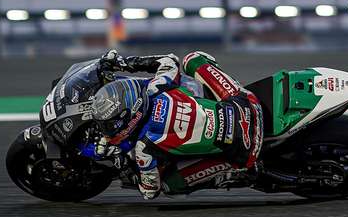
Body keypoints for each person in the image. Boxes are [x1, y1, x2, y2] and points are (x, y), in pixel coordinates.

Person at [91, 50, 263, 200]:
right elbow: (169, 60)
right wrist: (125, 63)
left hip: (245, 151)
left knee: (169, 185)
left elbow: (150, 191)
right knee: (193, 58)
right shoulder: (157, 87)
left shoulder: (144, 147)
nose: (107, 129)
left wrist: (123, 164)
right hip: (246, 103)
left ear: (132, 116)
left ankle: (234, 173)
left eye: (110, 124)